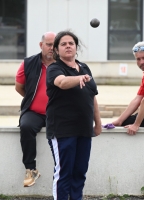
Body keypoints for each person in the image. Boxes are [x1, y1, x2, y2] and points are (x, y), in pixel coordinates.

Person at [46, 30, 102, 200]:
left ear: (76, 47)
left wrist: (97, 123)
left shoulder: (84, 68)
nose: (68, 46)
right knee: (64, 174)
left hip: (84, 130)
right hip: (63, 130)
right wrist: (78, 78)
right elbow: (62, 82)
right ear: (56, 49)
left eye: (71, 43)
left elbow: (92, 97)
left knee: (79, 173)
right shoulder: (55, 68)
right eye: (63, 44)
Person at [15, 32, 56, 187]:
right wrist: (32, 98)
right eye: (48, 44)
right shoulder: (28, 63)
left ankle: (64, 173)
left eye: (54, 44)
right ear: (41, 45)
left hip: (57, 112)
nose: (52, 48)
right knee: (26, 126)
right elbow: (19, 87)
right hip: (34, 113)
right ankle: (31, 169)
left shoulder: (64, 64)